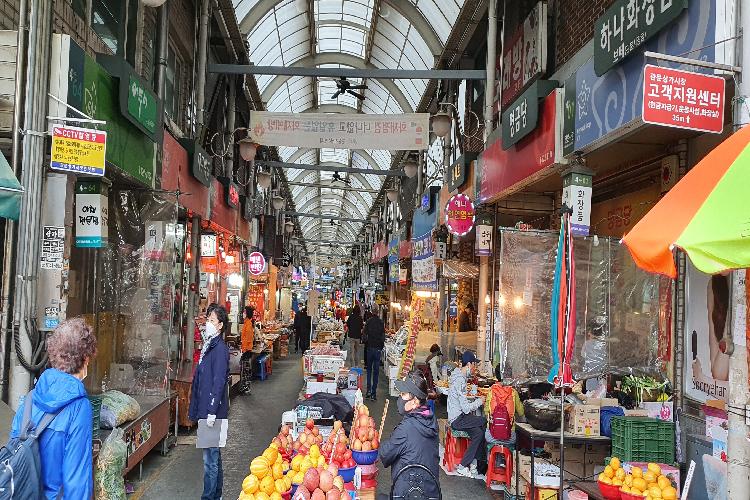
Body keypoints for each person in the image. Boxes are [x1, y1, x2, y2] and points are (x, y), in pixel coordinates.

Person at [10, 317, 97, 499]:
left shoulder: (30, 398)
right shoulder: (79, 408)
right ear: (85, 358)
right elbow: (76, 479)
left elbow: (15, 453)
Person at [189, 304, 230, 500]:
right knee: (214, 457)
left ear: (220, 325)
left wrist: (212, 410)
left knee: (209, 460)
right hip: (208, 409)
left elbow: (219, 381)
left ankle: (209, 497)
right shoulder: (209, 346)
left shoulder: (219, 349)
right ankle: (217, 495)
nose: (208, 323)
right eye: (208, 319)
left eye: (212, 320)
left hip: (212, 411)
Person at [380, 371, 440, 498]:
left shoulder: (406, 429)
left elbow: (385, 455)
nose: (400, 398)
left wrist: (381, 442)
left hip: (409, 493)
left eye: (403, 394)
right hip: (431, 493)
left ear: (415, 401)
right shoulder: (431, 419)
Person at [448, 351, 487, 478]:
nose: (475, 368)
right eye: (474, 365)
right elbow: (465, 409)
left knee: (478, 433)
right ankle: (479, 463)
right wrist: (480, 401)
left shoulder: (457, 376)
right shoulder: (460, 380)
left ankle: (466, 465)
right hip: (457, 419)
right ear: (469, 364)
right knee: (483, 421)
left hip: (458, 416)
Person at [484, 363, 524, 447]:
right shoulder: (513, 392)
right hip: (509, 437)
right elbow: (521, 412)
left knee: (486, 441)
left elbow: (486, 411)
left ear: (496, 375)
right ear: (509, 376)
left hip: (491, 436)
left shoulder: (491, 391)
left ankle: (488, 455)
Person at [363, 305, 385, 401]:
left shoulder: (368, 322)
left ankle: (368, 391)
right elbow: (383, 336)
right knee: (376, 371)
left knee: (369, 370)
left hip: (370, 348)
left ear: (372, 311)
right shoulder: (381, 322)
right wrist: (381, 346)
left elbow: (364, 335)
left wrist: (366, 343)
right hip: (377, 349)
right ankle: (373, 393)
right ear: (378, 312)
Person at [239, 306, 256, 394]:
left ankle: (246, 388)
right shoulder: (246, 322)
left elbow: (248, 339)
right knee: (245, 369)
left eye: (244, 312)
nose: (243, 313)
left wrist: (244, 349)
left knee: (246, 370)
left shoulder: (248, 324)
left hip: (247, 350)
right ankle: (245, 387)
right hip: (246, 349)